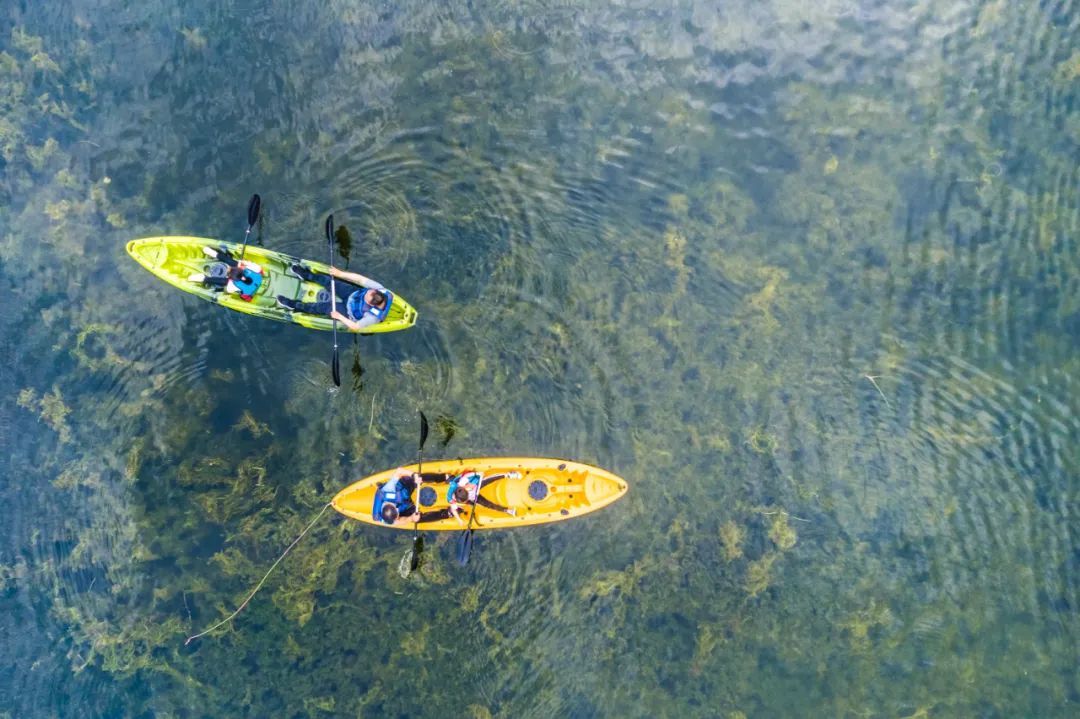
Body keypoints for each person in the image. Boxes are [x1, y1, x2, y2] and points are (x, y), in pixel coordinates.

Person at [276, 263, 393, 331]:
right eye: (369, 292)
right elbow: (360, 279)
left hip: (348, 312)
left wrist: (339, 317)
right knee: (328, 281)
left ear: (371, 304)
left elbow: (355, 326)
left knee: (321, 307)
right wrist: (340, 274)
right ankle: (306, 275)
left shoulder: (372, 317)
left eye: (367, 298)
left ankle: (294, 305)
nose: (367, 293)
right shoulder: (379, 288)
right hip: (352, 294)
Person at [187, 246, 266, 301]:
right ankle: (205, 277)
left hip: (240, 279)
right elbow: (261, 270)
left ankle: (204, 277)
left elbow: (230, 291)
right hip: (253, 281)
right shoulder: (256, 271)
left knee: (232, 267)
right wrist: (243, 263)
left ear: (231, 278)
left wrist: (241, 263)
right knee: (236, 265)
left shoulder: (234, 283)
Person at [447, 469, 521, 523]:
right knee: (488, 505)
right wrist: (459, 520)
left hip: (474, 485)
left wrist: (478, 474)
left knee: (489, 479)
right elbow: (453, 509)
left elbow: (471, 475)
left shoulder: (462, 482)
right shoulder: (451, 499)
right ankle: (506, 510)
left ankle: (509, 475)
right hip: (473, 496)